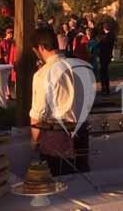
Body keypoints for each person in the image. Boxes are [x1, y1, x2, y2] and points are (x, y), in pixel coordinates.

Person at [29, 28, 94, 176]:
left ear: (41, 48)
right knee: (83, 186)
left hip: (57, 138)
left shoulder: (43, 74)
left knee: (59, 191)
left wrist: (34, 141)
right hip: (81, 132)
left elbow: (38, 116)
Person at [97, 21, 115, 95]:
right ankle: (105, 88)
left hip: (104, 55)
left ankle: (104, 88)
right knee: (105, 71)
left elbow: (101, 45)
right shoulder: (111, 35)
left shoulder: (105, 37)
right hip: (108, 55)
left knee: (103, 72)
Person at [3, 28, 17, 100]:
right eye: (9, 33)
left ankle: (12, 93)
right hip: (7, 61)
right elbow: (4, 52)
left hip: (11, 60)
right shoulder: (4, 41)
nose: (11, 34)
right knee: (7, 78)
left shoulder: (12, 41)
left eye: (12, 33)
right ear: (7, 33)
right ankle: (8, 93)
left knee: (14, 78)